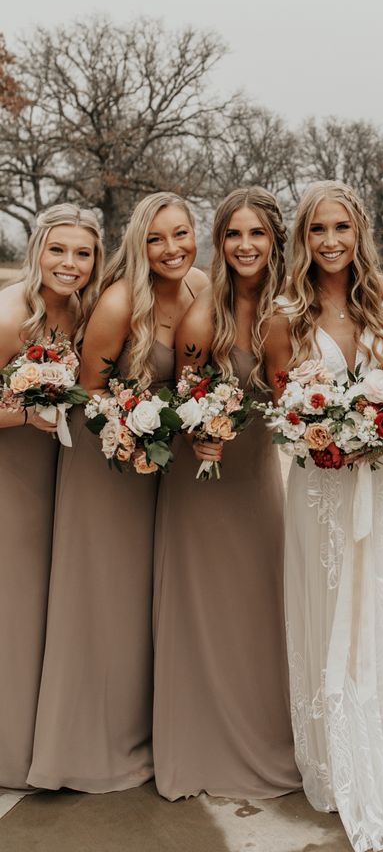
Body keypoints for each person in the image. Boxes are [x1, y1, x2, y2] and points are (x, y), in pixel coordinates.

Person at [263, 180, 383, 852]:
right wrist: (322, 430)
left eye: (341, 227)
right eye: (318, 230)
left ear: (360, 231)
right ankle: (338, 762)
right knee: (331, 609)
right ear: (303, 239)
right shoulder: (284, 314)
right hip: (322, 488)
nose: (332, 241)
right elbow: (283, 410)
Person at [29, 193, 207, 792]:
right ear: (138, 244)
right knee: (99, 598)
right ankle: (83, 748)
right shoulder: (117, 302)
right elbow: (87, 397)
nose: (171, 249)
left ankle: (140, 732)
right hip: (103, 466)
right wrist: (129, 429)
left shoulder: (199, 287)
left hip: (155, 470)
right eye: (156, 239)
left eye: (180, 234)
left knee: (139, 604)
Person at [153, 187, 300, 800]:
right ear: (220, 241)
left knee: (258, 608)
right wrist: (198, 438)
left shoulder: (288, 312)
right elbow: (185, 402)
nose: (245, 246)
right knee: (202, 610)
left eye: (257, 234)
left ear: (275, 242)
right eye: (233, 234)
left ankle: (267, 735)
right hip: (203, 488)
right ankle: (197, 743)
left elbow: (292, 396)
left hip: (257, 481)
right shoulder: (200, 317)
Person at [0, 205, 102, 790]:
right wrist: (25, 415)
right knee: (13, 612)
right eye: (58, 249)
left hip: (62, 476)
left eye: (83, 253)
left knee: (44, 611)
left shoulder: (84, 313)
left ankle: (44, 743)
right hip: (14, 477)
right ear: (37, 248)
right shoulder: (13, 313)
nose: (70, 263)